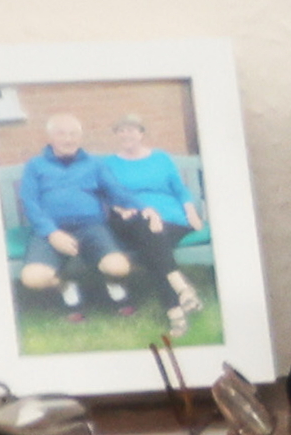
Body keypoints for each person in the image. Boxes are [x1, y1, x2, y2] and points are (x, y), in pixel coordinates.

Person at [85, 110, 203, 339]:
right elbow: (107, 195)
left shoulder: (161, 158)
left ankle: (175, 311)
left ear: (141, 133)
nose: (126, 134)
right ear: (116, 135)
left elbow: (179, 188)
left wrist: (192, 213)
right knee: (148, 232)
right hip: (131, 217)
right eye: (121, 130)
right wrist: (122, 208)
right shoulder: (109, 163)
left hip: (171, 218)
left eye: (131, 129)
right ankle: (182, 289)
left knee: (152, 247)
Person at [2, 113, 111, 328]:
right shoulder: (35, 166)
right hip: (50, 230)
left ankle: (115, 286)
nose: (68, 139)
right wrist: (52, 233)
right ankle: (66, 287)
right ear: (50, 137)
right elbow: (30, 202)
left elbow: (115, 191)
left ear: (80, 138)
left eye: (73, 134)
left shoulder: (94, 164)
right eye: (62, 134)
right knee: (32, 278)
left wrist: (137, 207)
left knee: (117, 266)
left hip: (90, 227)